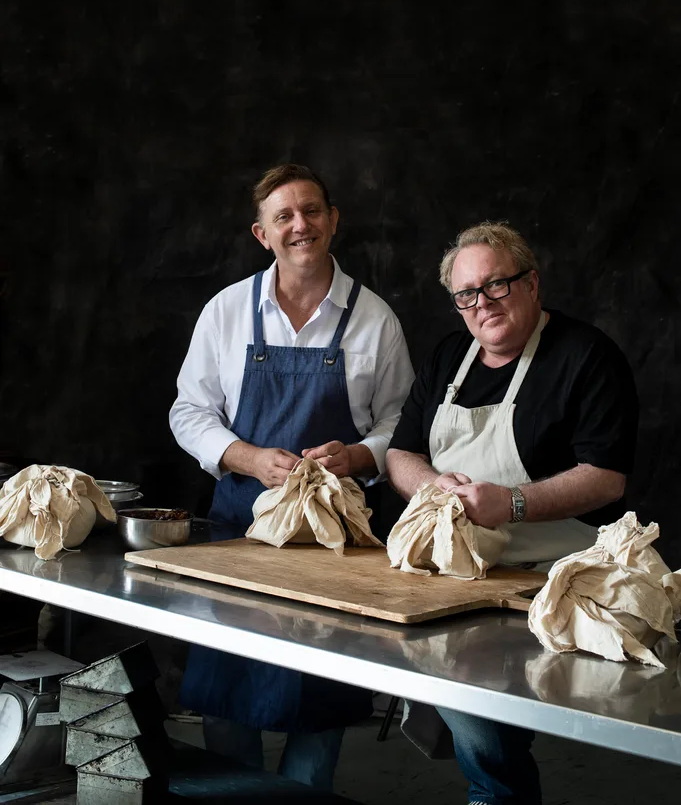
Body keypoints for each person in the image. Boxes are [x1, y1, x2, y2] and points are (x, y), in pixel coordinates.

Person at [169, 163, 414, 790]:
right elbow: (189, 412)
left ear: (333, 221)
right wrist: (249, 458)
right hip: (238, 536)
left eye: (312, 211)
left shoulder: (374, 319)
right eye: (284, 216)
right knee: (228, 692)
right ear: (263, 234)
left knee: (319, 699)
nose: (300, 224)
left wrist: (358, 456)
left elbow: (403, 424)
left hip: (336, 547)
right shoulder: (227, 311)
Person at [385, 221, 638, 805]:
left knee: (483, 725)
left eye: (496, 285)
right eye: (467, 294)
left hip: (556, 578)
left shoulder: (586, 356)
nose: (483, 304)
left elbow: (606, 478)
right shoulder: (450, 357)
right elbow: (400, 454)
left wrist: (512, 503)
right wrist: (433, 485)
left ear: (531, 283)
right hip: (461, 573)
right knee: (470, 711)